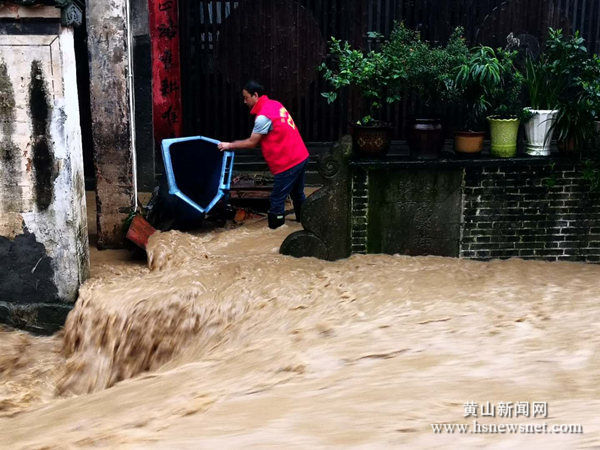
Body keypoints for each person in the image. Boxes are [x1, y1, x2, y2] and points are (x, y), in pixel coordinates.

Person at [218, 81, 309, 229]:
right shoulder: (275, 104)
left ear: (255, 95)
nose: (244, 101)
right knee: (298, 194)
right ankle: (306, 223)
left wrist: (229, 145)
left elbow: (252, 142)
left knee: (277, 199)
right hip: (301, 156)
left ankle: (276, 232)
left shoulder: (263, 117)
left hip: (288, 162)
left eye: (246, 97)